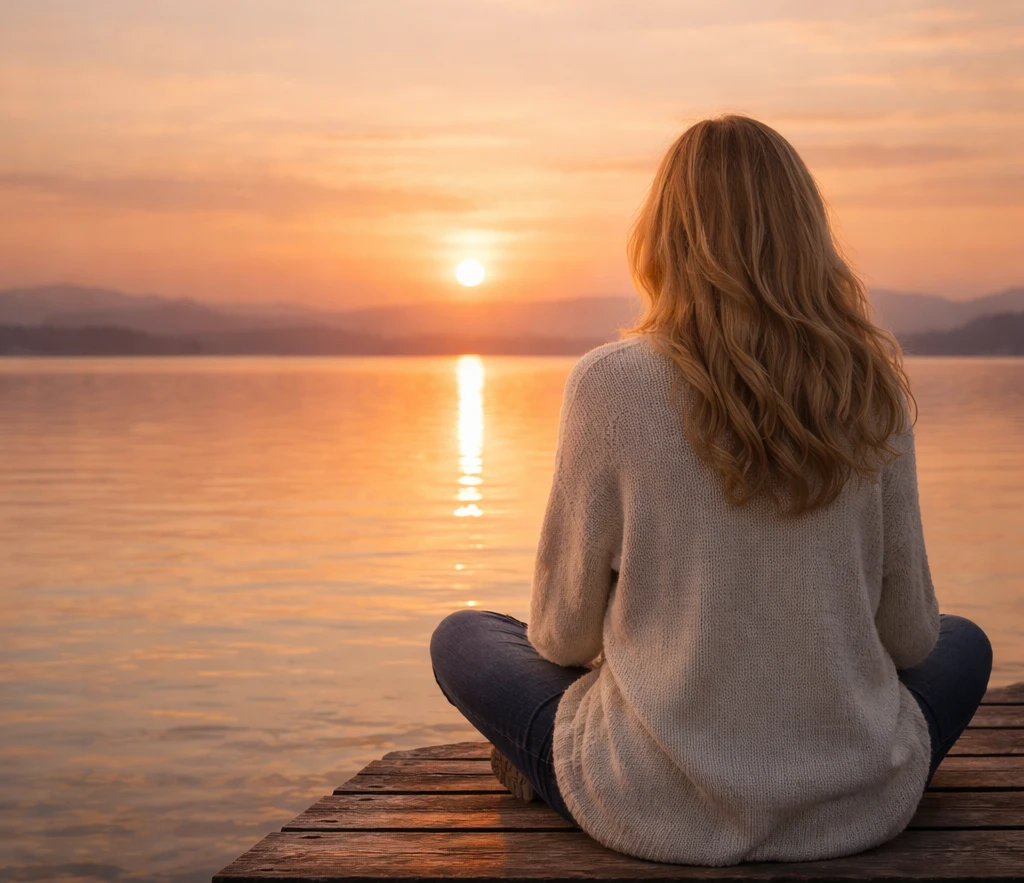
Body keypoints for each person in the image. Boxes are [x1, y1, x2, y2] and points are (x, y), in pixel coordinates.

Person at [429, 114, 993, 867]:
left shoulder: (611, 384)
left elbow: (563, 636)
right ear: (808, 235)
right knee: (965, 642)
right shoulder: (871, 388)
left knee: (462, 637)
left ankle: (561, 766)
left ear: (664, 235)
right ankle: (842, 762)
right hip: (853, 800)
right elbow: (911, 638)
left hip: (648, 798)